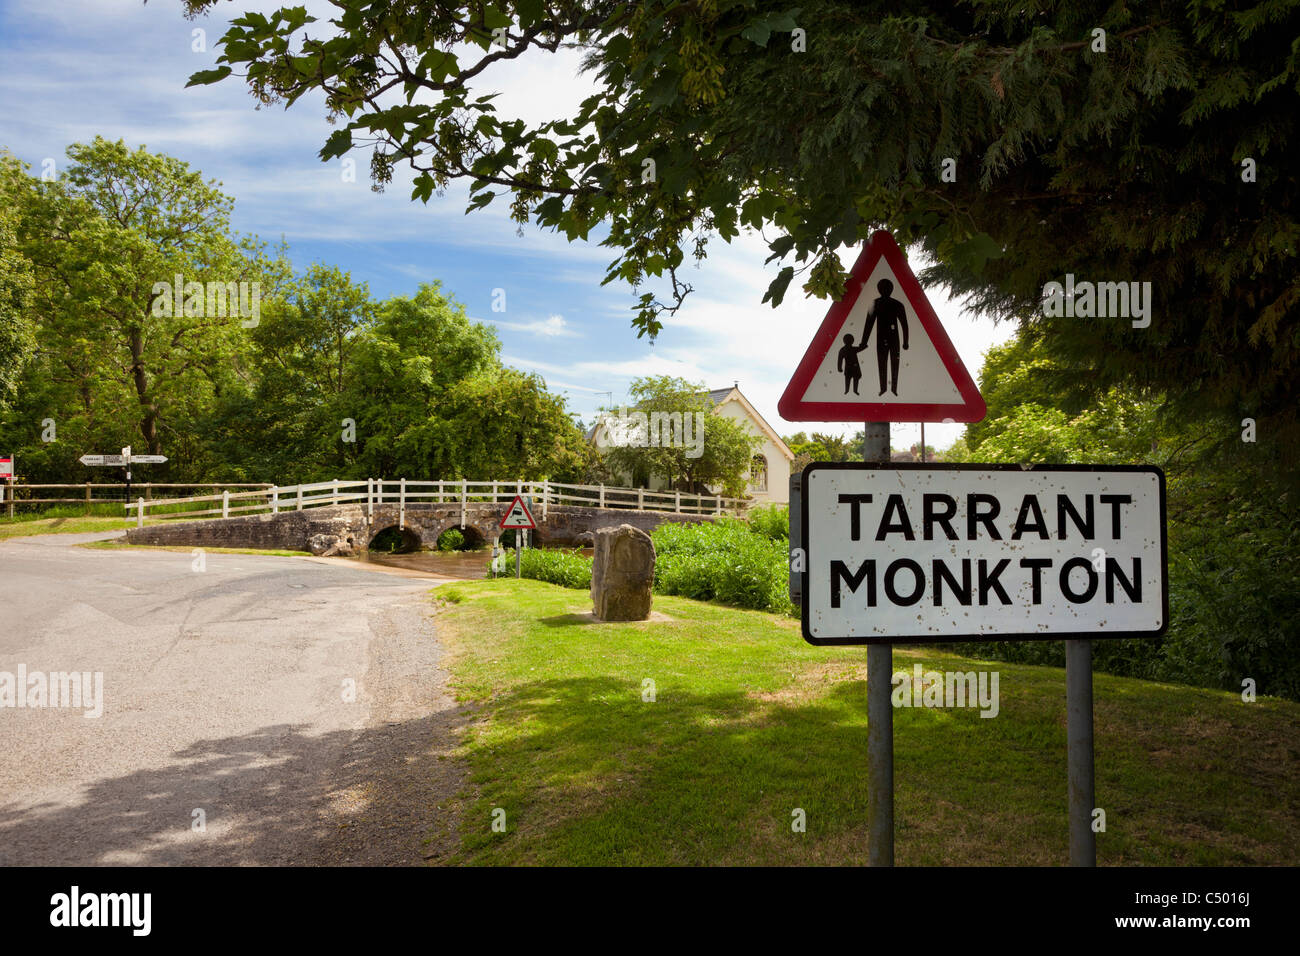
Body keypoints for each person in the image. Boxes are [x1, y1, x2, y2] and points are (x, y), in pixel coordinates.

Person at [861, 278, 909, 395]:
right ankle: (883, 388)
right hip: (881, 339)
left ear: (891, 289)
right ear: (879, 289)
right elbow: (868, 325)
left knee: (894, 363)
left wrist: (906, 342)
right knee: (882, 363)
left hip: (894, 339)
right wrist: (864, 342)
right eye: (883, 288)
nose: (885, 290)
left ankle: (894, 389)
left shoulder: (897, 304)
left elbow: (904, 324)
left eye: (887, 288)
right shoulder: (875, 303)